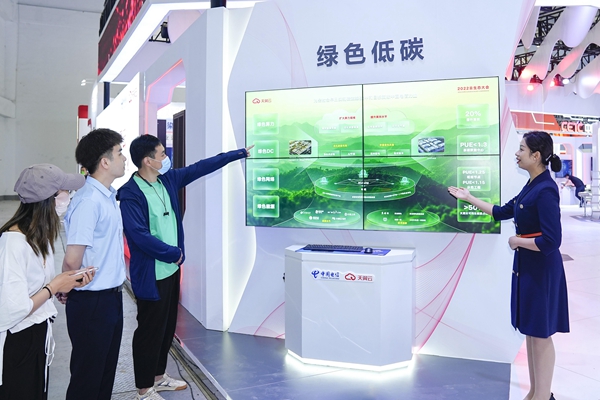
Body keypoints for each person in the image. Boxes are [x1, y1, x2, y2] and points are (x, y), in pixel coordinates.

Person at [117, 135, 253, 400]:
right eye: (161, 154)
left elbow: (200, 168)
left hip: (171, 269)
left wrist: (237, 154)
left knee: (167, 327)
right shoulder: (131, 193)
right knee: (149, 331)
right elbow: (139, 236)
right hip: (151, 275)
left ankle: (159, 376)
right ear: (148, 161)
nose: (166, 158)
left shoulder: (167, 179)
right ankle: (144, 389)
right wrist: (173, 253)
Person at [448, 131, 568, 400]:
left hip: (541, 271)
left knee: (541, 334)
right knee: (532, 332)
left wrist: (517, 241)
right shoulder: (532, 185)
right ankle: (536, 393)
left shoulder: (546, 190)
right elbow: (501, 211)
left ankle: (543, 395)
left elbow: (552, 241)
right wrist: (468, 197)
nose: (517, 153)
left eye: (522, 149)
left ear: (536, 156)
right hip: (528, 268)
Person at [0, 164, 94, 399]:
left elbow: (37, 287)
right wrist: (54, 287)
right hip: (18, 340)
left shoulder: (38, 237)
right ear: (48, 199)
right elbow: (13, 309)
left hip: (38, 332)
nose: (68, 197)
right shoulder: (13, 244)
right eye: (64, 192)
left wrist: (64, 286)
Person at [60, 128, 128, 400]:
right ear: (105, 162)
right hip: (92, 303)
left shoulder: (106, 197)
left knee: (104, 375)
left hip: (110, 298)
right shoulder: (89, 201)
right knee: (87, 379)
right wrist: (66, 286)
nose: (124, 159)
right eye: (120, 153)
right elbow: (72, 259)